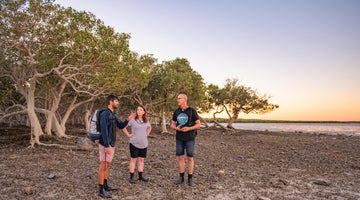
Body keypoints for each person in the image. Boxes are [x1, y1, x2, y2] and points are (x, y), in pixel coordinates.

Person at [98, 95, 135, 198]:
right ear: (110, 101)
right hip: (106, 144)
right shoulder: (105, 114)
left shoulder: (112, 114)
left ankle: (105, 185)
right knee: (103, 166)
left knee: (107, 165)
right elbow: (104, 130)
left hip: (111, 144)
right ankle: (101, 190)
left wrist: (128, 119)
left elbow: (121, 125)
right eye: (116, 101)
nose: (118, 103)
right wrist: (106, 145)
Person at [170, 94, 201, 186]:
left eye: (179, 98)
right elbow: (172, 125)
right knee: (180, 157)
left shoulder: (192, 111)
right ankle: (181, 177)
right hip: (179, 138)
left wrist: (189, 128)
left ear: (184, 99)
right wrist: (176, 128)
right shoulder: (176, 111)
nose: (177, 100)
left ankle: (190, 178)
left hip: (190, 138)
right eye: (177, 99)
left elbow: (198, 124)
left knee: (190, 158)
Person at [122, 105, 152, 184]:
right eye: (138, 110)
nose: (138, 111)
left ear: (144, 112)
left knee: (141, 160)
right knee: (133, 159)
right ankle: (131, 177)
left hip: (143, 143)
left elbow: (149, 127)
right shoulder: (132, 120)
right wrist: (128, 135)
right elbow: (123, 127)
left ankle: (140, 176)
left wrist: (147, 134)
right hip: (134, 143)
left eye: (140, 110)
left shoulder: (146, 120)